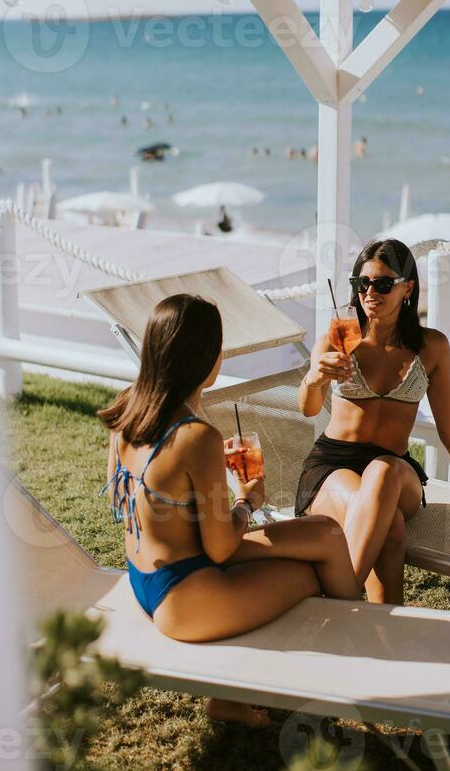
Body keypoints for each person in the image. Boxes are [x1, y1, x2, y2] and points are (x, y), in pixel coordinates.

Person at [98, 294, 359, 725]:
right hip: (184, 597)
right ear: (206, 358)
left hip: (148, 576)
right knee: (308, 575)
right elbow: (221, 549)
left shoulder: (129, 406)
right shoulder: (195, 436)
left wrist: (187, 495)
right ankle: (353, 666)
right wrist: (246, 500)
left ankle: (357, 650)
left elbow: (118, 500)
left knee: (325, 534)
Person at [296, 238, 450, 607]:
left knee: (384, 471)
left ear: (408, 288)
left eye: (384, 283)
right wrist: (314, 378)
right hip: (333, 465)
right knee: (388, 527)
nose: (371, 292)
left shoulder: (431, 347)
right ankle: (386, 627)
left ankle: (335, 603)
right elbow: (309, 409)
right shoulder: (339, 336)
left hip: (395, 469)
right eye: (363, 284)